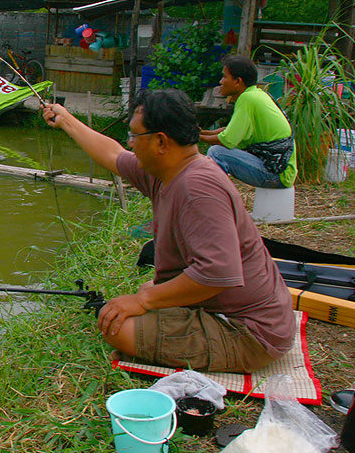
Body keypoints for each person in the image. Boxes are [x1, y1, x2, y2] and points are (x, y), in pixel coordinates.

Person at [42, 89, 296, 373]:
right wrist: (65, 120)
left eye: (135, 137)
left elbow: (218, 274)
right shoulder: (167, 171)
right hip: (231, 311)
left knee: (118, 328)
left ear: (161, 141)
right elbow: (112, 154)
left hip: (248, 333)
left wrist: (142, 301)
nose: (130, 144)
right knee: (147, 292)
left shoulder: (198, 188)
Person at [200, 55, 297, 189]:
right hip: (280, 171)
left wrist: (197, 138)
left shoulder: (246, 99)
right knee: (217, 151)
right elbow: (232, 131)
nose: (221, 81)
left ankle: (216, 197)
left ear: (237, 81)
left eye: (225, 77)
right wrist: (205, 133)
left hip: (276, 175)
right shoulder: (256, 94)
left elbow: (228, 139)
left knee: (217, 153)